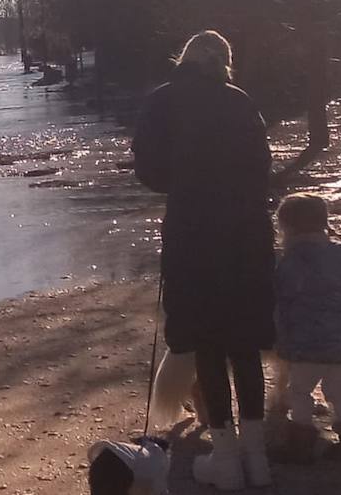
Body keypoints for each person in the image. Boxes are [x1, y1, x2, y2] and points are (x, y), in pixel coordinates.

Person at [133, 30, 275, 491]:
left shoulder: (163, 101)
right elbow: (262, 165)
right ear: (225, 63)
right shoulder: (241, 101)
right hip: (248, 232)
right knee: (245, 340)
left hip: (194, 232)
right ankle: (258, 459)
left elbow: (149, 170)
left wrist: (184, 182)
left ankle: (226, 458)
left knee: (208, 343)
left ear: (186, 60)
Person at [274, 193, 341, 464]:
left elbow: (279, 298)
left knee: (299, 392)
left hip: (304, 345)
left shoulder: (288, 262)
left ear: (286, 227)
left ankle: (300, 440)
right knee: (339, 390)